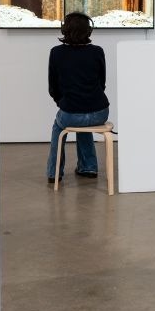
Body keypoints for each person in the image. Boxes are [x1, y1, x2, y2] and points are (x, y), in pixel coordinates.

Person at [46, 12, 110, 184]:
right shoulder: (97, 51)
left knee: (58, 128)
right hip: (100, 112)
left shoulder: (56, 53)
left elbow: (53, 88)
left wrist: (64, 103)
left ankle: (54, 173)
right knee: (83, 122)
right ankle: (88, 167)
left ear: (64, 29)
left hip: (71, 113)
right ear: (88, 30)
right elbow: (102, 83)